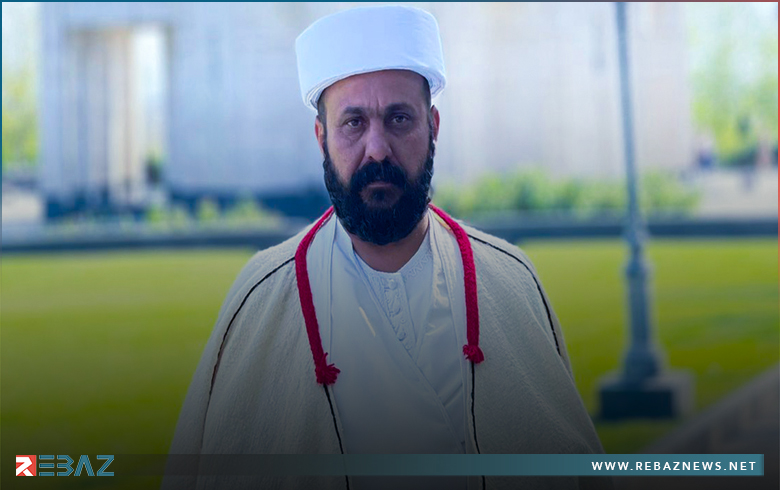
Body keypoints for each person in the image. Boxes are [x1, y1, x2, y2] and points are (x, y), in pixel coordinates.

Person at [164, 6, 607, 490]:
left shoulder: (511, 281)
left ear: (433, 126)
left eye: (399, 119)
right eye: (353, 123)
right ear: (321, 138)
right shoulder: (262, 298)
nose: (377, 148)